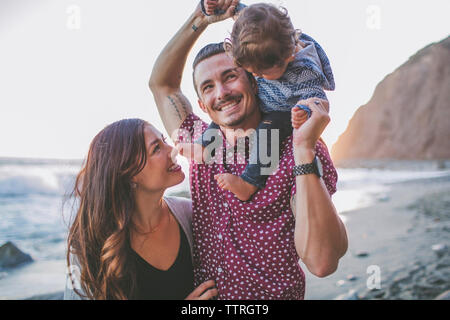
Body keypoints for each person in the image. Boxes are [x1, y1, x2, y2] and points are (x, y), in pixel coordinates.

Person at [149, 0, 348, 300]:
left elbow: (322, 261)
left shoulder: (296, 149)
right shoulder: (200, 142)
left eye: (230, 76)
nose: (222, 93)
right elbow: (161, 84)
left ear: (255, 79)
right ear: (202, 105)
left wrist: (304, 150)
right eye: (208, 87)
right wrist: (201, 18)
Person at [64, 118, 217, 300]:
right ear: (129, 175)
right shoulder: (90, 244)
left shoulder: (190, 215)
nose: (174, 150)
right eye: (156, 148)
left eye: (164, 141)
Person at [196, 1, 335, 201]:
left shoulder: (304, 71)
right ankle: (204, 144)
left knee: (268, 131)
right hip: (264, 99)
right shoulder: (263, 32)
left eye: (261, 73)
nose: (256, 76)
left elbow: (320, 103)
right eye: (251, 72)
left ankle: (250, 182)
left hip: (282, 111)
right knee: (224, 113)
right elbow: (248, 17)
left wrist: (304, 110)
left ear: (288, 56)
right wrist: (222, 5)